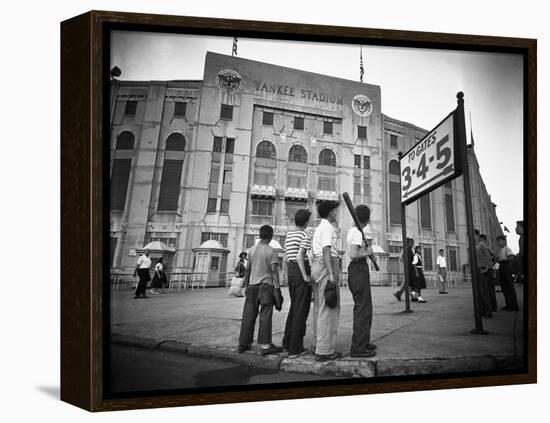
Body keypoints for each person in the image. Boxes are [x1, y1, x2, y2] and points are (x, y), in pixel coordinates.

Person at [237, 225, 284, 356]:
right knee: (265, 315)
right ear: (271, 236)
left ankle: (243, 344)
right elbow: (274, 271)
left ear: (260, 235)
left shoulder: (251, 250)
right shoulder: (271, 251)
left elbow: (247, 270)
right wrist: (278, 288)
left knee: (248, 315)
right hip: (266, 287)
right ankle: (265, 346)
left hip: (252, 287)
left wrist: (246, 286)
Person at [311, 200, 342, 362]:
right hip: (326, 265)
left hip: (318, 265)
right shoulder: (328, 227)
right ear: (330, 213)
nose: (336, 214)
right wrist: (331, 274)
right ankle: (324, 351)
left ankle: (318, 344)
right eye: (335, 211)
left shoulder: (319, 228)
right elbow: (326, 249)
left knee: (319, 307)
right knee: (329, 308)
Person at [346, 204, 377, 358]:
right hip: (358, 270)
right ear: (367, 218)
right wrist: (367, 252)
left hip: (358, 271)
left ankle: (363, 341)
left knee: (366, 309)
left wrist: (367, 251)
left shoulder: (356, 231)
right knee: (362, 310)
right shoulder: (357, 232)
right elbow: (353, 254)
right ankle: (358, 347)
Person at [282, 209, 313, 358]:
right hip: (300, 272)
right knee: (301, 310)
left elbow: (286, 258)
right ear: (307, 222)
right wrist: (305, 276)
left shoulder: (289, 235)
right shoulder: (304, 235)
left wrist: (288, 274)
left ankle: (287, 343)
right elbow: (301, 256)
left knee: (294, 308)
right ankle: (295, 348)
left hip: (291, 272)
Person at [496, 235, 519, 311]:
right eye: (498, 241)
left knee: (509, 287)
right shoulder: (501, 250)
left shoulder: (507, 248)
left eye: (499, 241)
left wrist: (504, 260)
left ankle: (513, 305)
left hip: (506, 267)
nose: (498, 243)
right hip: (502, 267)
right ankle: (508, 304)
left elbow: (511, 257)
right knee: (504, 287)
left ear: (504, 241)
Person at [474, 229, 493, 318]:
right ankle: (481, 310)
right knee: (478, 292)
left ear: (477, 235)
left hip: (482, 269)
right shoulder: (473, 245)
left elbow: (488, 256)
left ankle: (488, 311)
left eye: (473, 234)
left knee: (484, 292)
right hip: (476, 271)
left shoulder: (481, 244)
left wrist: (486, 268)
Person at [393, 238, 415, 302]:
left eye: (413, 242)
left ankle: (400, 294)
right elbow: (400, 257)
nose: (412, 244)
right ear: (408, 243)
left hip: (410, 267)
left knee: (409, 282)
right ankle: (400, 294)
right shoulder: (405, 249)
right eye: (411, 242)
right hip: (407, 268)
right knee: (407, 282)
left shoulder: (411, 249)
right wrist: (405, 263)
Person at [480, 234, 497, 312]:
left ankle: (493, 306)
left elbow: (495, 257)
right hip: (487, 269)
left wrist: (491, 265)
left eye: (482, 240)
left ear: (484, 240)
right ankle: (491, 306)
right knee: (487, 289)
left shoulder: (487, 248)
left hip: (488, 270)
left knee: (489, 289)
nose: (481, 241)